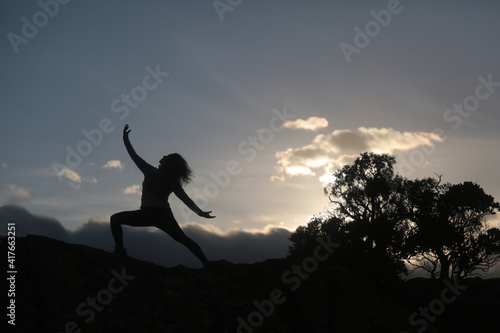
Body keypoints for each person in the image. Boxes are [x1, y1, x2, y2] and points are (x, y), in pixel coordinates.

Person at [110, 124, 214, 267]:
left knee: (115, 219)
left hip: (148, 213)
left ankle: (120, 250)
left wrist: (125, 139)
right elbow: (186, 200)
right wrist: (200, 212)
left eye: (167, 156)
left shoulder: (151, 172)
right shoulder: (172, 182)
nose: (163, 156)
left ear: (169, 163)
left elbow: (134, 156)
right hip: (164, 215)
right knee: (183, 239)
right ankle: (206, 263)